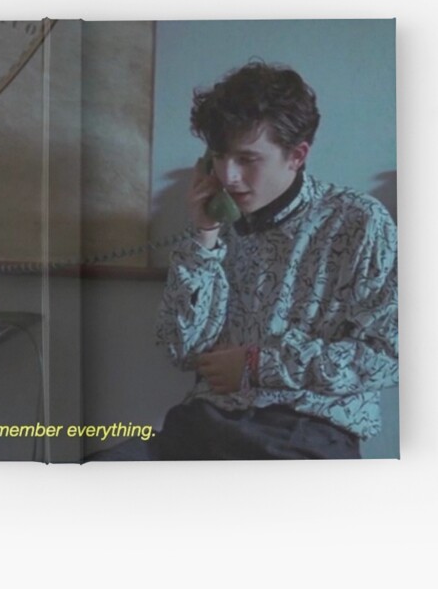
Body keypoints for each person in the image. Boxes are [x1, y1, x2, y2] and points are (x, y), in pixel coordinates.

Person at [89, 60, 398, 460]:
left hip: (305, 432)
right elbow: (181, 350)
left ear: (297, 155)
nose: (229, 176)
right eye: (219, 157)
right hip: (205, 422)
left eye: (247, 160)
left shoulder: (359, 222)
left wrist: (257, 365)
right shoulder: (220, 222)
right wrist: (204, 238)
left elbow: (389, 357)